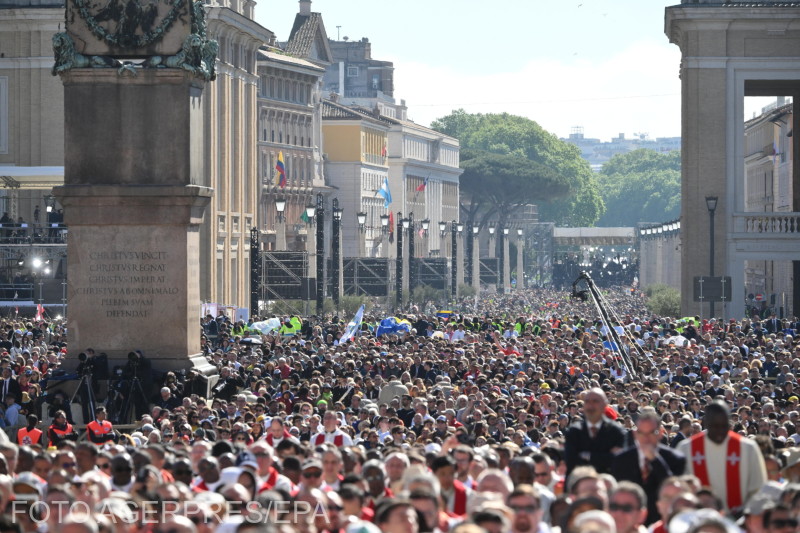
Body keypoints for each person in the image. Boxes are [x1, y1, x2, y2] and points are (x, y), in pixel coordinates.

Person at [677, 400, 767, 512]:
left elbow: (758, 488)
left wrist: (745, 513)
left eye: (723, 426)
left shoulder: (747, 448)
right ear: (706, 424)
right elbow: (680, 490)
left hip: (738, 518)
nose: (719, 431)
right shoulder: (686, 448)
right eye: (714, 426)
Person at [611, 408, 685, 524]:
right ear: (635, 434)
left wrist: (655, 460)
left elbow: (673, 490)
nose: (646, 438)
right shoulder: (622, 459)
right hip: (631, 520)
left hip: (663, 520)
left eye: (651, 433)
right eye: (641, 433)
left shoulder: (675, 459)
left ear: (660, 433)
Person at [565, 387, 628, 475]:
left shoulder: (616, 432)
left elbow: (619, 461)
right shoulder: (574, 431)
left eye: (595, 401)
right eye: (587, 402)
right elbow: (571, 462)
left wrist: (587, 456)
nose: (591, 406)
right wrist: (605, 456)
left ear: (605, 405)